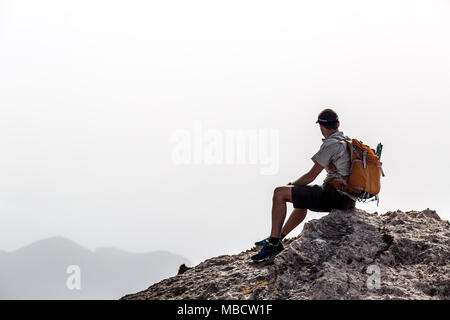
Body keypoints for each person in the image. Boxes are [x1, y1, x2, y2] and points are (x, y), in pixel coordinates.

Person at [251, 108, 356, 261]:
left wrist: (290, 185)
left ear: (321, 127)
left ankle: (273, 244)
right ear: (338, 123)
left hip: (333, 196)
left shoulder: (331, 144)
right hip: (348, 199)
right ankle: (278, 237)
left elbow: (311, 176)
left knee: (279, 193)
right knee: (301, 198)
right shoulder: (347, 142)